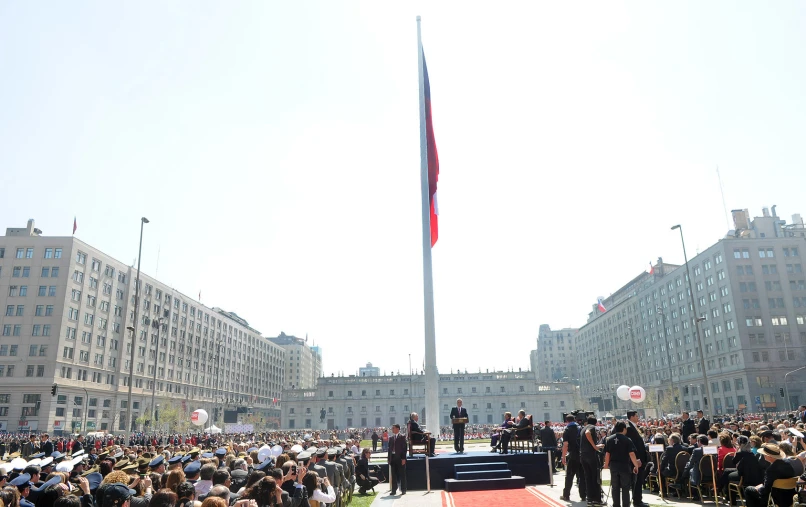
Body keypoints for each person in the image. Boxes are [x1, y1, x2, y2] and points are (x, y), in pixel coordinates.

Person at [743, 443, 797, 507]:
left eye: (764, 454)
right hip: (789, 497)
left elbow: (765, 490)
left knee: (748, 490)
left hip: (774, 498)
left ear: (770, 456)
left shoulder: (771, 469)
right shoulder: (788, 464)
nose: (763, 455)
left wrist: (759, 488)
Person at [604, 421, 641, 507]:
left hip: (613, 466)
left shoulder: (609, 439)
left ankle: (616, 505)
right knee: (625, 488)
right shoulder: (627, 440)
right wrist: (636, 465)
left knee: (615, 487)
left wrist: (606, 465)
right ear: (624, 429)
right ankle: (625, 505)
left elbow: (607, 454)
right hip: (624, 467)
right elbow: (631, 454)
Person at [626, 410, 649, 507]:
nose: (637, 417)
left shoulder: (634, 427)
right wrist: (637, 459)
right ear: (631, 417)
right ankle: (637, 501)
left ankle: (639, 499)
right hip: (636, 460)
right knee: (637, 480)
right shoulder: (629, 428)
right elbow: (633, 445)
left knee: (639, 480)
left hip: (640, 458)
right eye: (636, 416)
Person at [560, 415, 585, 503]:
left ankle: (566, 495)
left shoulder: (567, 430)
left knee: (569, 476)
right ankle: (583, 495)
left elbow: (565, 444)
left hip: (573, 455)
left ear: (567, 421)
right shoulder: (581, 428)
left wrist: (563, 456)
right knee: (582, 476)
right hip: (582, 455)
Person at [580, 416, 603, 506]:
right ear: (596, 423)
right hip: (591, 455)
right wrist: (595, 446)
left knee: (588, 477)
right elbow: (588, 433)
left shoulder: (583, 428)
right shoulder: (591, 427)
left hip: (583, 455)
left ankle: (589, 498)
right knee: (595, 477)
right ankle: (596, 499)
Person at [387, 424, 407, 496]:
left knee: (402, 474)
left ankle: (403, 489)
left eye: (393, 428)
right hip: (393, 458)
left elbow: (404, 449)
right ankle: (393, 490)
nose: (392, 429)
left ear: (398, 429)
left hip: (400, 458)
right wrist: (389, 458)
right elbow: (389, 449)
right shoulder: (391, 438)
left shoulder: (402, 437)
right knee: (393, 475)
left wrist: (403, 458)